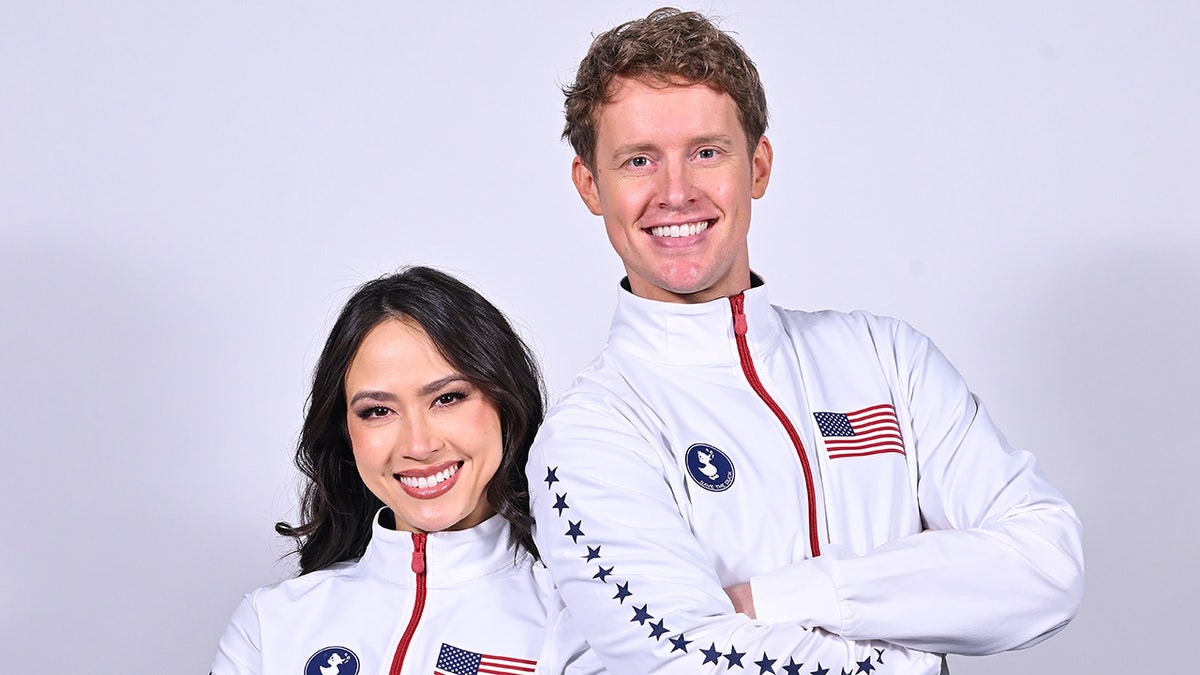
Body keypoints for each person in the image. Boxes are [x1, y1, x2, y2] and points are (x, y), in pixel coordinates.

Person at [527, 8, 1084, 674]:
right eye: (638, 160)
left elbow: (1049, 563)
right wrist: (925, 625)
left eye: (707, 152)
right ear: (591, 185)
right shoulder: (592, 433)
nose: (675, 192)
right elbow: (686, 660)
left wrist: (776, 597)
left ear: (757, 166)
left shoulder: (886, 359)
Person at [211, 267, 598, 675]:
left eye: (448, 398)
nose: (418, 446)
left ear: (506, 403)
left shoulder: (584, 622)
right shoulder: (269, 625)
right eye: (378, 411)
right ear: (345, 432)